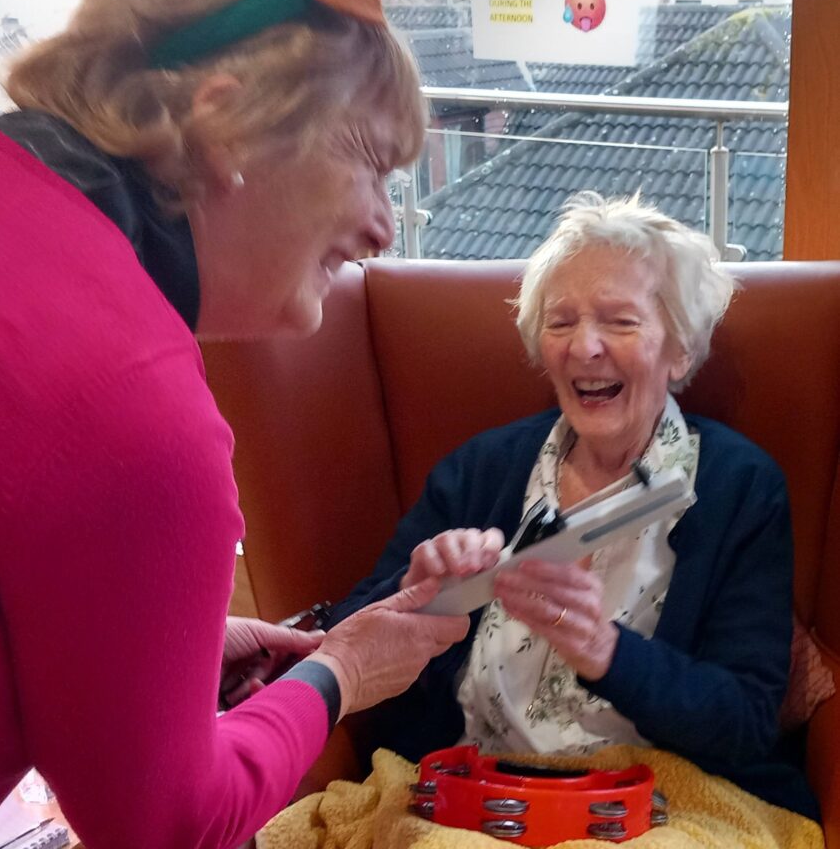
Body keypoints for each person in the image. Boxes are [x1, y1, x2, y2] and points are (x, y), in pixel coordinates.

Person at [0, 0, 470, 849]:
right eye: (371, 163)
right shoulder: (130, 401)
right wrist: (339, 677)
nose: (384, 227)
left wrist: (155, 661)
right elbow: (165, 828)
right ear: (228, 122)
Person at [329, 192, 819, 819]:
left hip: (652, 808)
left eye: (620, 321)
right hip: (475, 798)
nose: (584, 347)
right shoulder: (484, 468)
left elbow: (745, 721)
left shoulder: (740, 487)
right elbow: (343, 641)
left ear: (679, 350)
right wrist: (415, 594)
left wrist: (608, 652)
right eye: (560, 323)